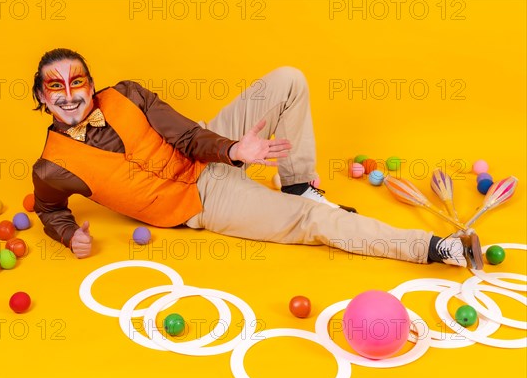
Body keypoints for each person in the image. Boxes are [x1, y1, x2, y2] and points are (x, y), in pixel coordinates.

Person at [31, 48, 474, 267]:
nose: (70, 95)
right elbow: (51, 210)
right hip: (201, 202)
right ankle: (436, 249)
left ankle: (298, 181)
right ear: (41, 96)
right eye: (57, 87)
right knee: (311, 222)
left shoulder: (126, 94)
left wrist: (232, 149)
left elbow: (186, 135)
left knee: (288, 80)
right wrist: (70, 237)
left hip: (208, 149)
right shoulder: (52, 167)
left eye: (78, 82)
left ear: (91, 84)